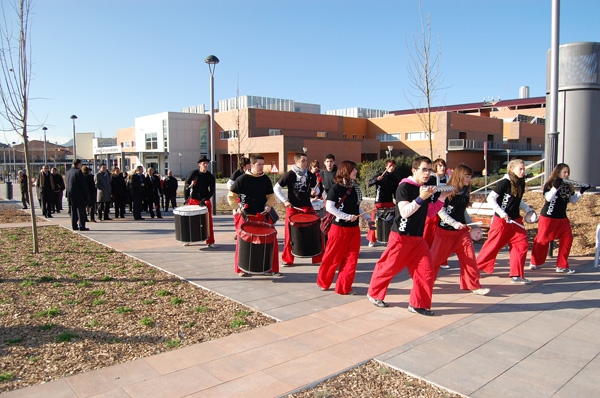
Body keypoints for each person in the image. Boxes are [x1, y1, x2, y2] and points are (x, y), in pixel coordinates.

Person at [366, 156, 449, 316]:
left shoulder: (424, 187)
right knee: (388, 267)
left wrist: (442, 198)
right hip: (401, 237)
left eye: (429, 170)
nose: (427, 173)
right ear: (414, 170)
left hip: (418, 239)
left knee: (426, 271)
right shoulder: (404, 187)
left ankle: (418, 304)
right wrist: (421, 198)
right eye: (424, 169)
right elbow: (405, 212)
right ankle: (374, 293)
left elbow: (430, 212)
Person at [430, 164, 489, 295]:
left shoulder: (465, 192)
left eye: (470, 176)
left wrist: (472, 225)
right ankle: (426, 281)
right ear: (459, 176)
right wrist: (454, 223)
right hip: (445, 232)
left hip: (461, 233)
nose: (469, 179)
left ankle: (474, 285)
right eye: (467, 176)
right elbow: (440, 210)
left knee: (469, 258)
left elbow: (463, 212)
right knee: (435, 260)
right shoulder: (446, 189)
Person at [476, 159, 537, 284]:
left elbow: (517, 200)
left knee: (522, 245)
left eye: (524, 169)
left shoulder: (521, 183)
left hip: (515, 220)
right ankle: (473, 269)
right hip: (501, 221)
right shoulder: (504, 182)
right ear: (512, 169)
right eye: (520, 169)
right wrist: (502, 213)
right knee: (492, 246)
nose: (523, 171)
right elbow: (490, 198)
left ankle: (517, 275)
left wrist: (528, 210)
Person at [317, 160, 372, 295]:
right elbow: (329, 207)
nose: (356, 172)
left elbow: (356, 207)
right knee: (332, 258)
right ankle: (323, 282)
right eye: (353, 169)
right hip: (339, 229)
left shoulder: (355, 188)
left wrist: (368, 219)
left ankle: (344, 287)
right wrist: (346, 216)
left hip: (354, 230)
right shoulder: (336, 188)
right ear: (346, 171)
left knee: (351, 260)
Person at [529, 163, 589, 274]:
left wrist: (581, 191)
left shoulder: (567, 186)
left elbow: (573, 200)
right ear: (558, 172)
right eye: (564, 172)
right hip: (548, 217)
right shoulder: (550, 184)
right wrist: (555, 187)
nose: (566, 175)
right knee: (542, 240)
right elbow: (548, 198)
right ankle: (534, 262)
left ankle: (561, 265)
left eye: (568, 173)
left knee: (567, 238)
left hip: (562, 218)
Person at [228, 154, 280, 277]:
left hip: (263, 217)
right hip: (246, 217)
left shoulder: (266, 179)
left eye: (263, 164)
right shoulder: (242, 179)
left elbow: (271, 197)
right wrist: (237, 208)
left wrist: (268, 205)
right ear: (252, 165)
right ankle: (241, 269)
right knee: (242, 243)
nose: (262, 167)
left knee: (272, 241)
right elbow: (231, 196)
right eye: (259, 164)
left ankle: (272, 268)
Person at [274, 152, 322, 266]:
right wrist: (285, 200)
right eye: (303, 160)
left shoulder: (310, 175)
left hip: (307, 207)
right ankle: (287, 259)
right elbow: (276, 188)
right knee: (289, 234)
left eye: (306, 160)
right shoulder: (290, 174)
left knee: (315, 232)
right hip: (293, 208)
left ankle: (317, 258)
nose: (305, 163)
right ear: (296, 162)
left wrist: (315, 192)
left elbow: (317, 191)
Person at [366, 159, 399, 247]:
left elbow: (396, 192)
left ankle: (388, 238)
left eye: (393, 166)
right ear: (386, 166)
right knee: (375, 220)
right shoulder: (380, 175)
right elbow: (369, 183)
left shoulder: (395, 178)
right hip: (379, 201)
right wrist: (376, 179)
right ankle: (371, 240)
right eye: (390, 166)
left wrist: (397, 202)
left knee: (391, 220)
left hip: (389, 201)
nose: (391, 168)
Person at [423, 158, 449, 268]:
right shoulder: (432, 178)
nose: (442, 168)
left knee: (442, 237)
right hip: (432, 210)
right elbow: (425, 189)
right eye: (440, 166)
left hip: (444, 210)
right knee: (428, 235)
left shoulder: (448, 178)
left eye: (443, 166)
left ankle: (442, 260)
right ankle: (423, 257)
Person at [185, 157, 216, 247]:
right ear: (199, 165)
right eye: (204, 164)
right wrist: (186, 198)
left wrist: (204, 199)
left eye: (207, 164)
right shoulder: (194, 173)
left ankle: (210, 241)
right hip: (193, 199)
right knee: (190, 221)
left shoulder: (210, 176)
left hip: (204, 200)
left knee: (208, 221)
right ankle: (188, 239)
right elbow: (186, 184)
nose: (205, 165)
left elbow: (211, 190)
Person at [65, 159, 90, 231]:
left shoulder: (68, 172)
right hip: (79, 195)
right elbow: (83, 184)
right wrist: (86, 194)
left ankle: (74, 225)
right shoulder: (78, 172)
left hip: (70, 194)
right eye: (81, 164)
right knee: (81, 211)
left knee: (73, 211)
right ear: (78, 164)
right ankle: (82, 226)